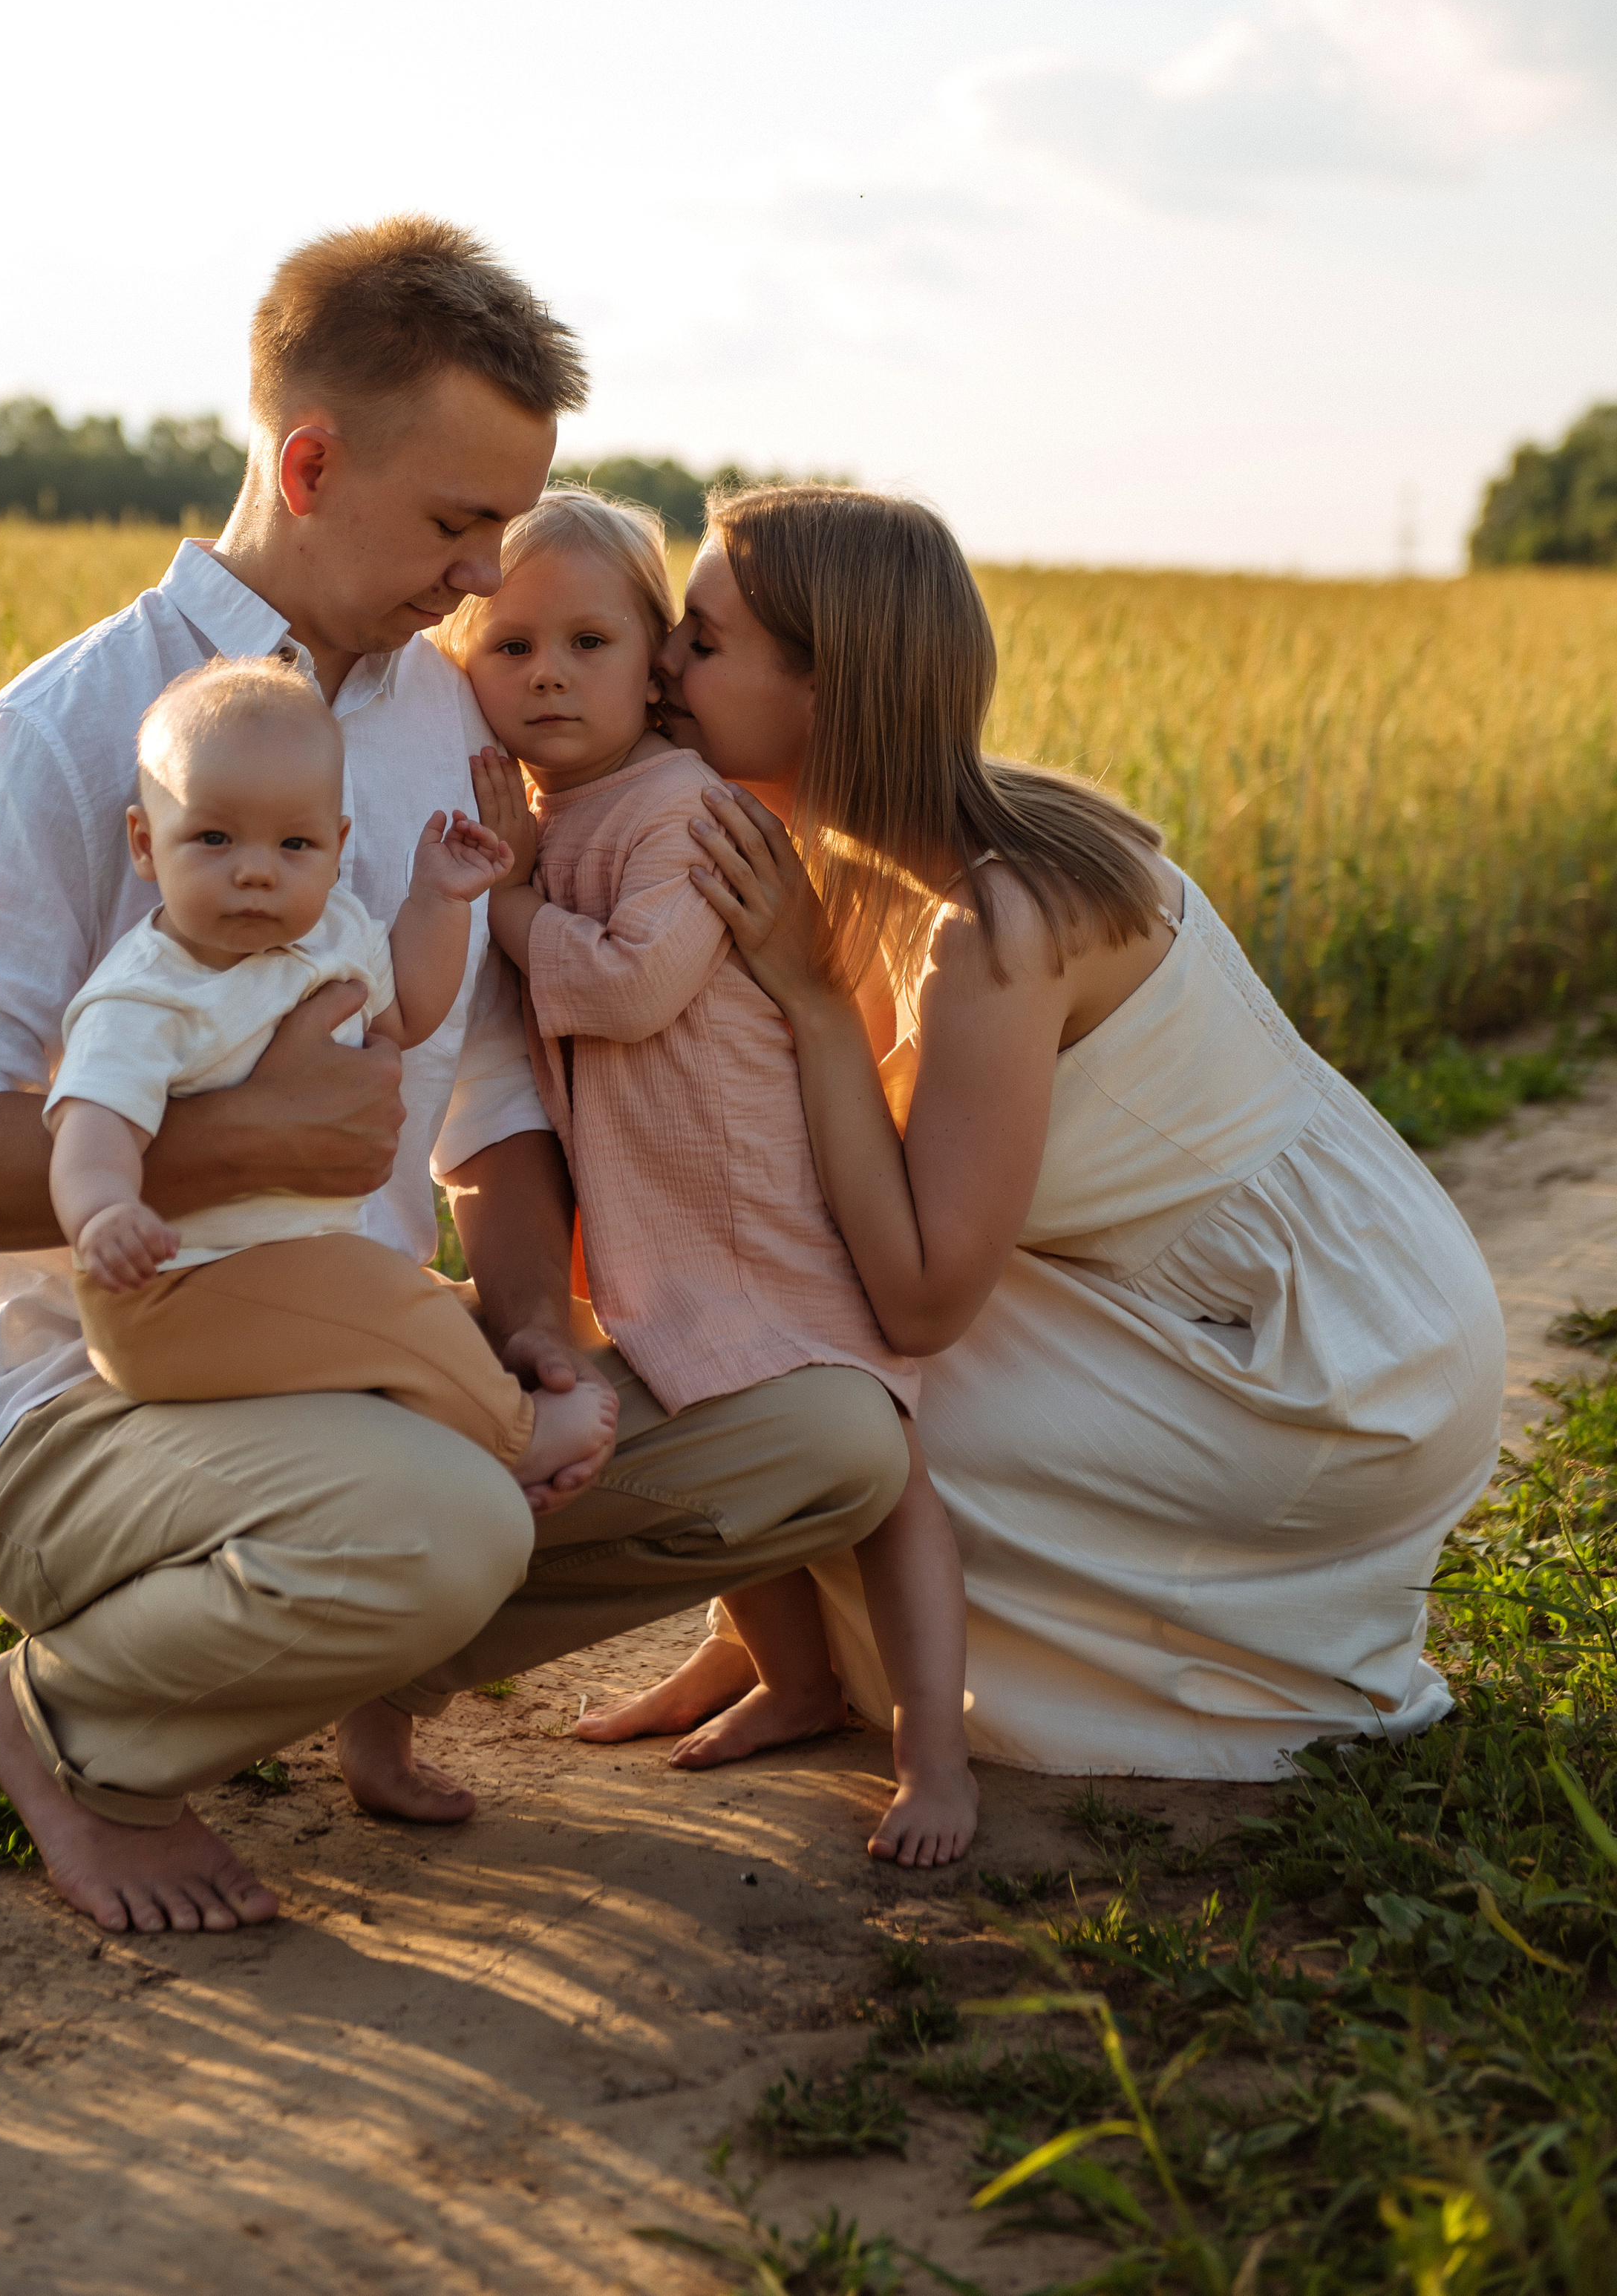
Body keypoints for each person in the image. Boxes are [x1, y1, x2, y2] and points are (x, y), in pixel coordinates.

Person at [0, 220, 909, 1937]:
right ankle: (68, 1721)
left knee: (831, 1438)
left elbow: (484, 1078)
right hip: (91, 1404)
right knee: (439, 1521)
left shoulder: (437, 724)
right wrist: (215, 1144)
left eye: (505, 522)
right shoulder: (69, 729)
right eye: (455, 520)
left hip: (370, 1379)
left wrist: (524, 1312)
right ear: (310, 462)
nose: (487, 574)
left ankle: (355, 1624)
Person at [584, 485, 1506, 1782]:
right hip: (1210, 1289)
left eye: (703, 638)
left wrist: (810, 999)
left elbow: (916, 1298)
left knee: (832, 1385)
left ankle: (847, 1664)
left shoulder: (998, 916)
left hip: (1329, 1356)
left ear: (826, 688)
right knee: (774, 1306)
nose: (663, 662)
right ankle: (781, 1645)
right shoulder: (859, 849)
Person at [448, 490, 975, 1865]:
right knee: (751, 1471)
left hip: (766, 1212)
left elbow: (628, 986)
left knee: (889, 1484)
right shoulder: (565, 810)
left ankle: (936, 1753)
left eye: (593, 640)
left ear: (649, 660)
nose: (549, 671)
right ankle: (794, 1680)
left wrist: (500, 897)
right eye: (509, 647)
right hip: (677, 1226)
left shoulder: (683, 809)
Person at [46, 654, 618, 1496]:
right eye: (213, 838)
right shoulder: (149, 995)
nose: (255, 869)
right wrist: (104, 1213)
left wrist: (438, 901)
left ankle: (442, 1441)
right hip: (173, 1297)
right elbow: (91, 1125)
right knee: (396, 1304)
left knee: (391, 1308)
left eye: (295, 844)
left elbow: (403, 1019)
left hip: (286, 1271)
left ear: (336, 846)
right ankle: (515, 1434)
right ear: (144, 843)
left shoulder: (333, 936)